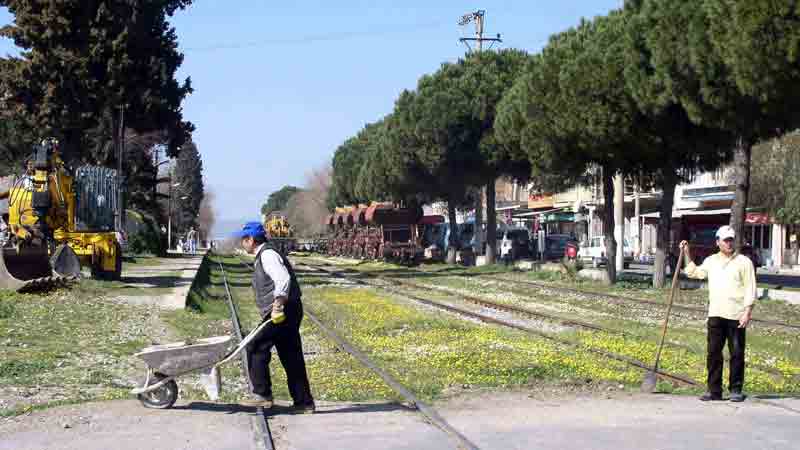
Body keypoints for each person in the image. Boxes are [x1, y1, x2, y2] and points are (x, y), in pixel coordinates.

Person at [233, 221, 315, 412]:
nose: (242, 243)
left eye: (243, 239)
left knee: (255, 346)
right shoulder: (264, 254)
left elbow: (283, 279)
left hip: (282, 310)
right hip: (289, 309)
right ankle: (304, 403)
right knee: (290, 356)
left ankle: (262, 395)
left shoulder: (268, 255)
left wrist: (277, 305)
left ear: (251, 239)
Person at [680, 225, 756, 403]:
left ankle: (736, 390)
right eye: (726, 240)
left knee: (736, 353)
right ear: (718, 242)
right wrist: (686, 252)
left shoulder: (744, 262)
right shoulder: (711, 261)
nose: (729, 243)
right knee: (713, 353)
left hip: (736, 315)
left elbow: (750, 288)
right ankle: (714, 390)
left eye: (731, 240)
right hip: (716, 314)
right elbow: (694, 273)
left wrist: (747, 312)